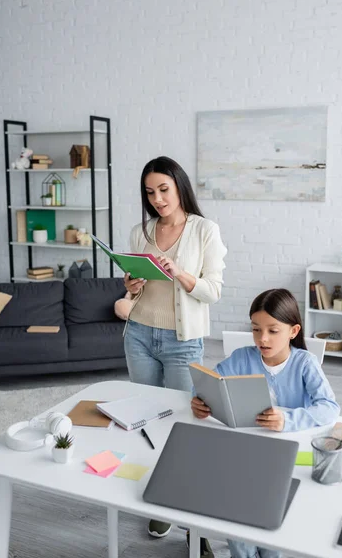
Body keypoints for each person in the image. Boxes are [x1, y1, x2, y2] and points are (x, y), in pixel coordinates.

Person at [124, 156, 226, 557]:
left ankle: (192, 522)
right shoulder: (141, 231)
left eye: (164, 189)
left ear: (180, 186)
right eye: (150, 192)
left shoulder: (204, 231)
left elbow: (212, 291)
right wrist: (131, 283)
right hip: (139, 335)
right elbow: (136, 291)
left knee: (186, 426)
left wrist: (180, 272)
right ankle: (159, 498)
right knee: (146, 421)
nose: (158, 199)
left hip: (183, 341)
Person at [191, 288, 340, 558]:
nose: (263, 338)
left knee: (269, 529)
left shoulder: (305, 363)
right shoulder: (242, 358)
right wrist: (198, 400)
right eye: (256, 329)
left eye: (273, 331)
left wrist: (288, 419)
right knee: (235, 510)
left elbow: (329, 408)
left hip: (286, 456)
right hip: (245, 452)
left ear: (293, 331)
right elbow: (208, 382)